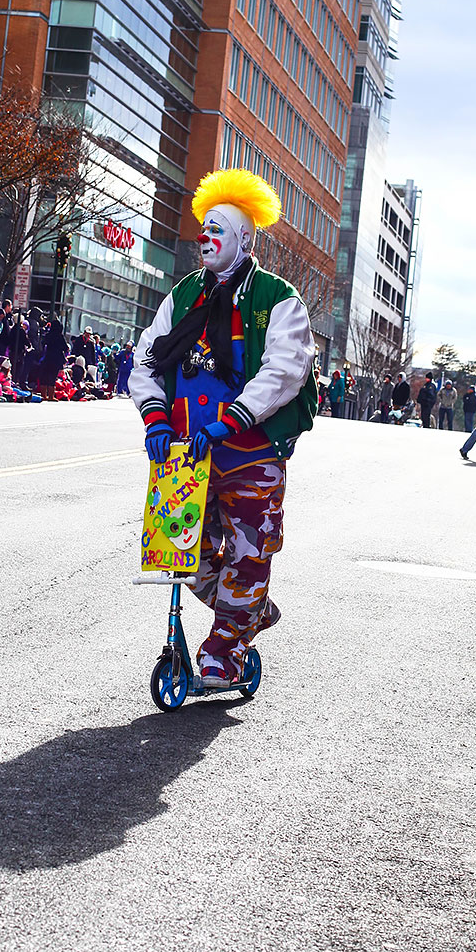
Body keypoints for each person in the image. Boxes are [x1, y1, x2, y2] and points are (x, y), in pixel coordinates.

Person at [129, 167, 317, 686]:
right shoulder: (185, 294)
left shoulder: (277, 299)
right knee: (182, 550)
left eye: (218, 230)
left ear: (244, 238)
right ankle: (249, 610)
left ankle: (225, 649)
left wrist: (231, 419)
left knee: (249, 553)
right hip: (187, 453)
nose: (205, 238)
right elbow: (146, 360)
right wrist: (154, 416)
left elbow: (285, 369)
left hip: (251, 452)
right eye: (203, 229)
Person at [39, 318, 69, 401]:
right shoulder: (60, 336)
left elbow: (43, 343)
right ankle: (51, 396)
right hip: (56, 359)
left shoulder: (48, 335)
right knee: (52, 377)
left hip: (47, 358)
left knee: (44, 376)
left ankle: (43, 395)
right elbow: (65, 348)